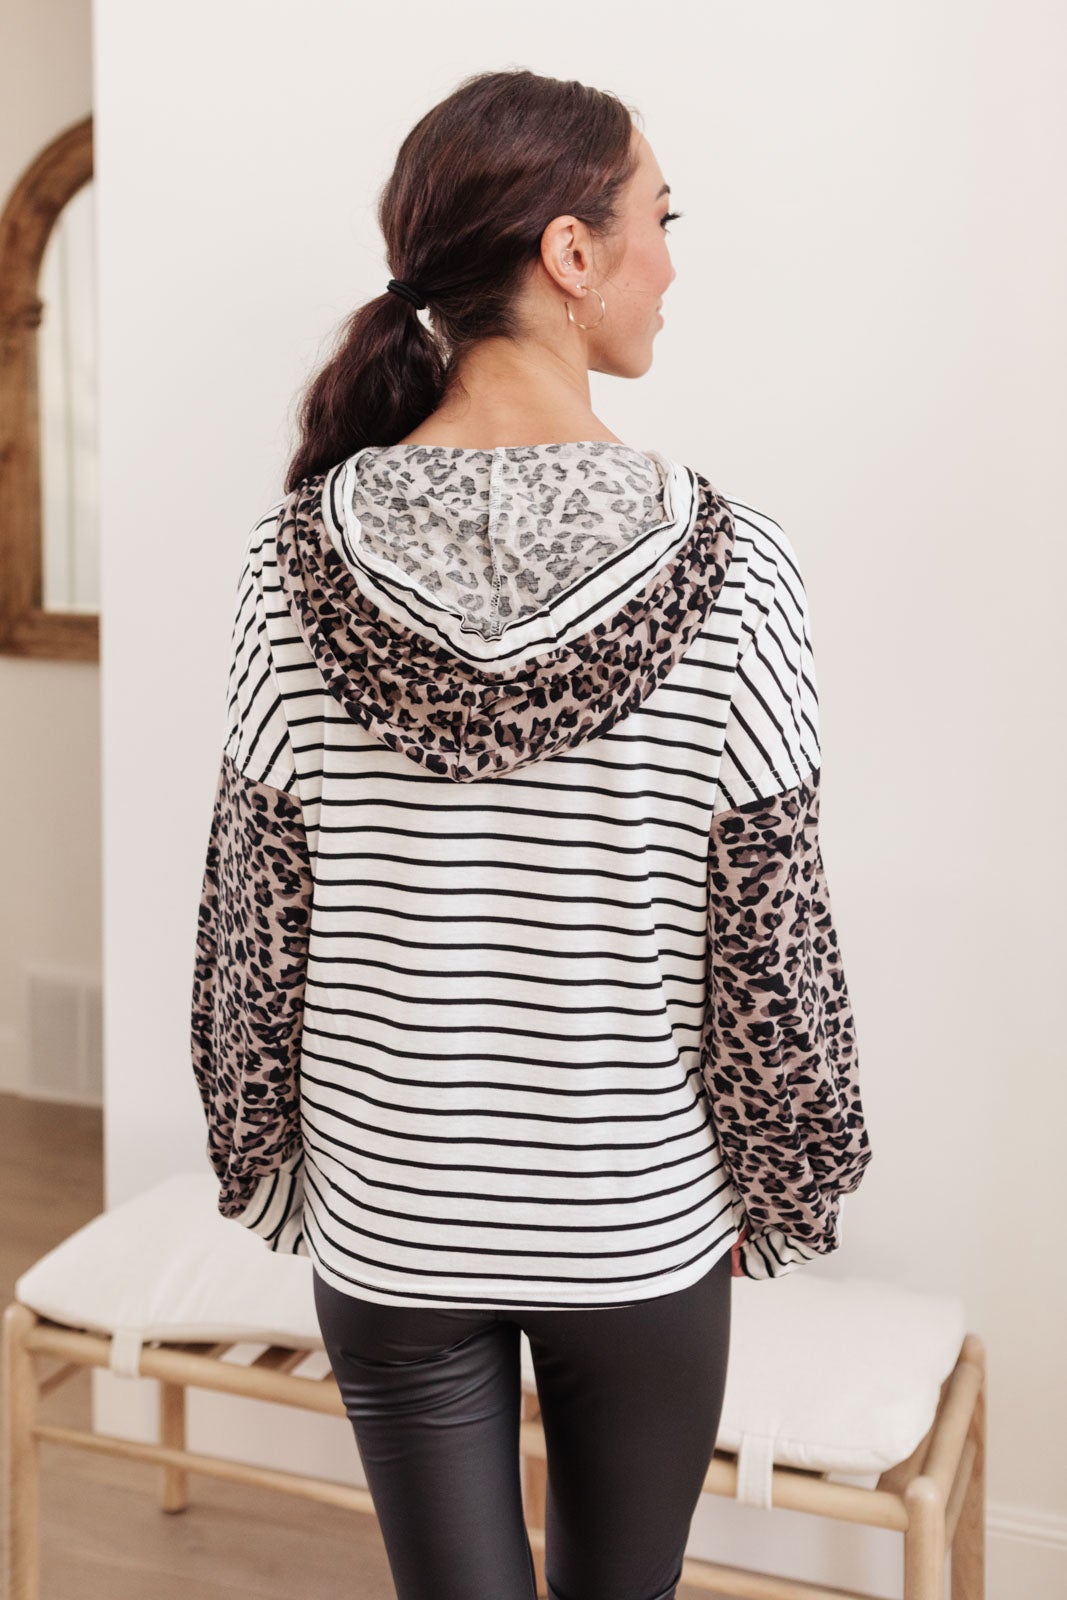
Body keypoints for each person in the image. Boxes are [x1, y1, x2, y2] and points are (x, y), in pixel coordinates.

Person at [190, 67, 873, 1600]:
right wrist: (785, 1186)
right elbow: (772, 948)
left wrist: (270, 1169)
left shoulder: (291, 558)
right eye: (660, 220)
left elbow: (252, 923)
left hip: (394, 1219)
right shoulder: (737, 564)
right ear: (572, 254)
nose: (672, 263)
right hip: (633, 1222)